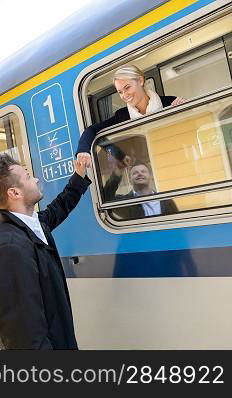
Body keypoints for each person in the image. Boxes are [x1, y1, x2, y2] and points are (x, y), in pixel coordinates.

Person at [0, 153, 91, 349]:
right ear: (15, 193)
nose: (36, 179)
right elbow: (26, 335)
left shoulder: (34, 224)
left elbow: (60, 207)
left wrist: (79, 175)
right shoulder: (10, 248)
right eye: (27, 176)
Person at [76, 64, 185, 166]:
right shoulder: (122, 116)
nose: (124, 95)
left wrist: (183, 108)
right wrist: (84, 151)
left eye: (127, 87)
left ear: (140, 81)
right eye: (120, 92)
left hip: (180, 162)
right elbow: (92, 130)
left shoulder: (170, 103)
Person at [104, 159, 178, 219]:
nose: (140, 174)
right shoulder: (125, 202)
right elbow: (105, 197)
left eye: (143, 171)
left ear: (151, 176)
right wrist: (118, 171)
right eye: (135, 173)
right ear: (130, 179)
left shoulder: (167, 201)